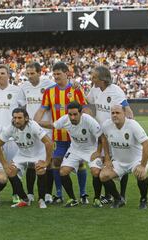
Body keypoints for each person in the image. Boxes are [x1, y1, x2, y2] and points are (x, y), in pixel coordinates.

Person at [34, 62, 90, 204]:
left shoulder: (76, 90)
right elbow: (41, 110)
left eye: (59, 73)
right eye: (55, 74)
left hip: (76, 138)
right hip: (59, 138)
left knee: (81, 164)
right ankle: (59, 194)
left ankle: (83, 194)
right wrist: (35, 122)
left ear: (67, 73)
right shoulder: (49, 91)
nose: (57, 76)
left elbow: (85, 109)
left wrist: (88, 123)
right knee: (56, 163)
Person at [87, 66, 134, 203]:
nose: (92, 79)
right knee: (103, 163)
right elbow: (88, 100)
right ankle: (107, 195)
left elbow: (126, 107)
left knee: (120, 162)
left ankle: (122, 194)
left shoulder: (115, 91)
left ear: (102, 79)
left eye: (94, 77)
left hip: (114, 134)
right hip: (101, 136)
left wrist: (129, 124)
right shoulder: (94, 89)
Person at [0, 108, 53, 208]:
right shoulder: (11, 128)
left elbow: (48, 142)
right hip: (22, 154)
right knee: (10, 171)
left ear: (26, 118)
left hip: (38, 153)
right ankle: (25, 200)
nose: (16, 120)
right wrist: (4, 164)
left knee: (40, 169)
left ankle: (41, 200)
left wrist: (46, 162)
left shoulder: (33, 125)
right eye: (14, 118)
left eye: (19, 118)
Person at [52, 101, 105, 208]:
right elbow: (53, 125)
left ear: (81, 113)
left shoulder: (89, 120)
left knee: (95, 172)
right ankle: (73, 199)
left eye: (75, 114)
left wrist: (98, 152)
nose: (72, 117)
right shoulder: (65, 119)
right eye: (70, 114)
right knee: (63, 171)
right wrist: (34, 122)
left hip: (91, 149)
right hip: (75, 149)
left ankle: (96, 198)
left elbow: (101, 137)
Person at [17, 61, 55, 203]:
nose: (30, 76)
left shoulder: (49, 84)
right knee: (31, 163)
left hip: (46, 129)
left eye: (33, 73)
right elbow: (21, 105)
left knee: (48, 162)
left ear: (40, 72)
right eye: (28, 73)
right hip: (30, 130)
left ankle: (47, 194)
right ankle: (31, 193)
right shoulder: (24, 87)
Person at [100, 105, 148, 209]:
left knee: (141, 174)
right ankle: (118, 199)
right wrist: (107, 158)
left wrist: (142, 165)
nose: (114, 115)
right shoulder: (106, 125)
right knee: (103, 176)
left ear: (124, 114)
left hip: (135, 161)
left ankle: (143, 199)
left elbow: (147, 144)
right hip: (119, 162)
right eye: (113, 113)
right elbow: (104, 138)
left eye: (117, 113)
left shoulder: (133, 125)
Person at [0, 64, 22, 203]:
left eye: (3, 73)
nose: (0, 75)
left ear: (8, 75)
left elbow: (24, 109)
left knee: (14, 166)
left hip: (12, 135)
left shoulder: (17, 90)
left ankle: (16, 194)